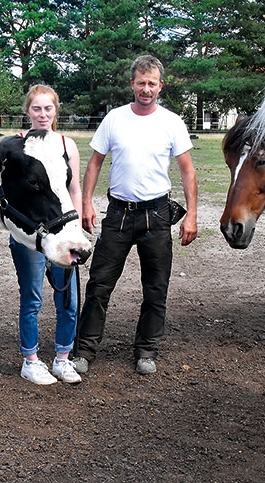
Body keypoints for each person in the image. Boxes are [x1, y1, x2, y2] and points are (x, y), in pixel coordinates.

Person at [73, 55, 198, 376]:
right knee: (99, 284)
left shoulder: (172, 123)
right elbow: (94, 163)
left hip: (156, 216)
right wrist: (86, 203)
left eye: (152, 84)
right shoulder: (114, 119)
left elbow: (187, 171)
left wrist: (192, 215)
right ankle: (84, 350)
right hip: (118, 215)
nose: (146, 89)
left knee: (156, 288)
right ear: (132, 84)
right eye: (141, 83)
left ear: (160, 86)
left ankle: (146, 350)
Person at [10, 85, 84, 385]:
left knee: (68, 299)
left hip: (64, 233)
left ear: (56, 110)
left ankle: (62, 359)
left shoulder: (67, 145)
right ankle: (30, 360)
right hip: (32, 236)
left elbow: (74, 189)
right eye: (37, 108)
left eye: (48, 108)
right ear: (28, 111)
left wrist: (76, 228)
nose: (43, 114)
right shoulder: (16, 146)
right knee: (32, 299)